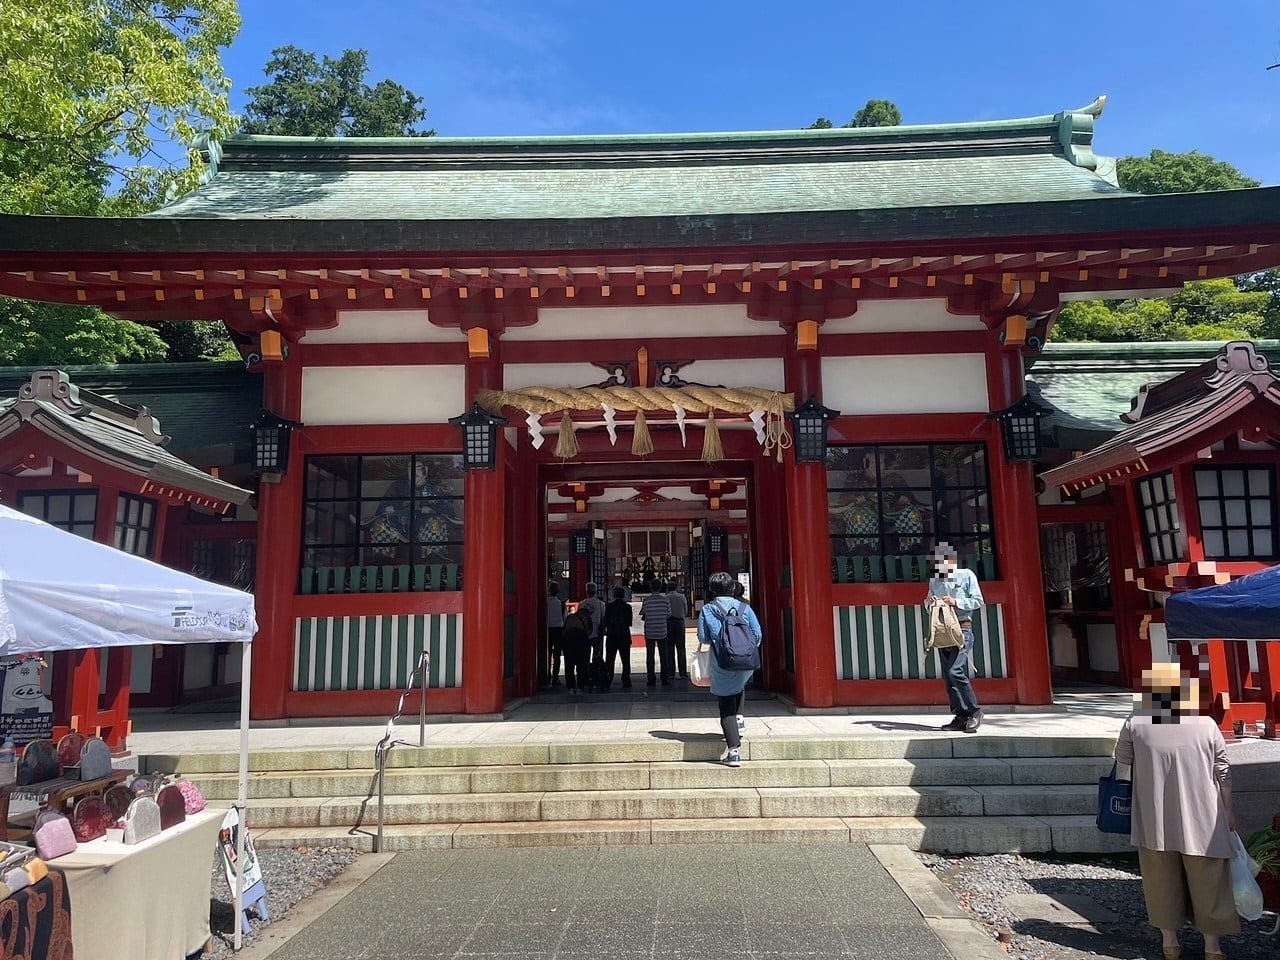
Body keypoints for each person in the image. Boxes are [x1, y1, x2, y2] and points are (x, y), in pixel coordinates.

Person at [1115, 663, 1238, 960]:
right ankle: (1212, 948)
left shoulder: (1137, 723)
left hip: (1154, 817)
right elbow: (1223, 772)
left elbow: (1122, 758)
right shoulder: (1207, 725)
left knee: (1160, 880)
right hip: (1204, 818)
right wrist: (1230, 812)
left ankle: (1169, 942)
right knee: (1210, 881)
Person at [697, 571, 762, 767]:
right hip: (747, 661)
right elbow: (757, 634)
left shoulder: (708, 609)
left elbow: (703, 637)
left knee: (726, 706)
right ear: (732, 587)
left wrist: (722, 641)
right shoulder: (744, 607)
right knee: (739, 684)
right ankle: (740, 717)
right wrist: (742, 648)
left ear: (712, 589)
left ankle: (733, 751)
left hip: (722, 661)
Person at [922, 542, 984, 733]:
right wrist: (931, 603)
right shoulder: (934, 581)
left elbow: (978, 601)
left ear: (950, 560)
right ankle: (960, 715)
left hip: (962, 629)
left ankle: (975, 711)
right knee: (948, 677)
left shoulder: (966, 575)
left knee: (955, 671)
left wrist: (955, 601)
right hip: (943, 630)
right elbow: (926, 604)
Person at [640, 582, 671, 686]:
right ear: (661, 587)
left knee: (650, 656)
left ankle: (651, 679)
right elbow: (668, 614)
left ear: (650, 587)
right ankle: (664, 678)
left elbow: (643, 613)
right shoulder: (665, 600)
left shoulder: (646, 600)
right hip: (662, 630)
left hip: (650, 630)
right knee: (664, 656)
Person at [604, 586, 634, 689]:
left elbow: (605, 622)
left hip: (611, 635)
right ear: (624, 595)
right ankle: (626, 680)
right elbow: (630, 622)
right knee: (625, 660)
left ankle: (608, 679)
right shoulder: (627, 607)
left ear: (613, 595)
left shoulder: (608, 607)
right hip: (624, 635)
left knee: (610, 660)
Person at [665, 581, 689, 680]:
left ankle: (671, 673)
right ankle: (683, 673)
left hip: (669, 622)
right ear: (676, 588)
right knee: (681, 648)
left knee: (669, 648)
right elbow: (686, 610)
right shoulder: (681, 597)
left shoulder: (666, 598)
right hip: (679, 622)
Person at [579, 583, 607, 666]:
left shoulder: (581, 604)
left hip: (585, 632)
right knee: (597, 655)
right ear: (596, 591)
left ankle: (586, 673)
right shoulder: (601, 604)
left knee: (585, 656)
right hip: (597, 632)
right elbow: (603, 618)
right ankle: (596, 673)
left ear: (586, 591)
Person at [546, 581, 566, 687]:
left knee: (547, 654)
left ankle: (546, 674)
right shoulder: (562, 604)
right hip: (558, 630)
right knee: (557, 655)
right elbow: (565, 619)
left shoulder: (545, 602)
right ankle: (555, 676)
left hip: (547, 630)